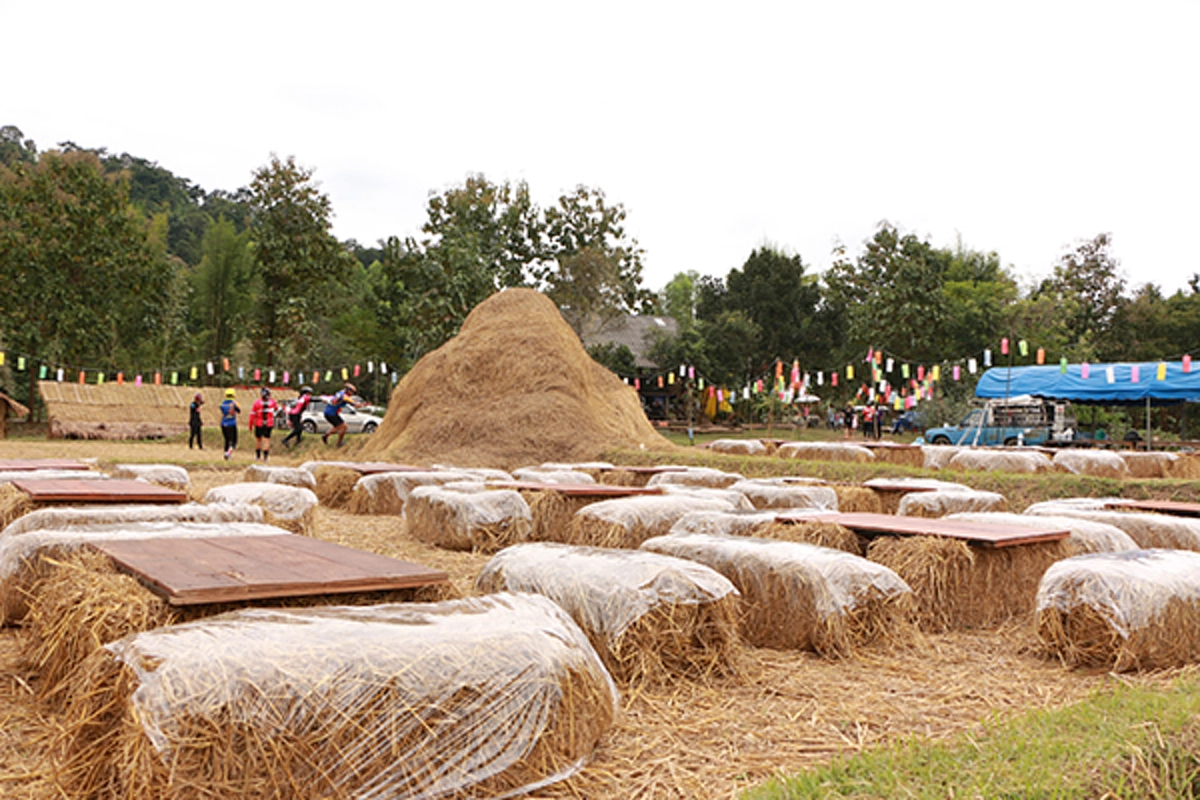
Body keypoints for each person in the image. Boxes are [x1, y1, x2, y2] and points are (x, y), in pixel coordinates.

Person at [323, 382, 365, 447]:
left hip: (328, 412)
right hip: (332, 413)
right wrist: (363, 405)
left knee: (339, 427)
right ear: (348, 390)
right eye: (352, 392)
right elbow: (355, 405)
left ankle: (326, 435)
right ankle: (338, 442)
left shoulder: (340, 392)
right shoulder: (345, 397)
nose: (352, 394)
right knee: (343, 427)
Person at [249, 387, 280, 461]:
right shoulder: (272, 402)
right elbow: (277, 409)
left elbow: (252, 414)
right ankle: (265, 458)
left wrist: (250, 425)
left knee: (258, 440)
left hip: (259, 423)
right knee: (266, 440)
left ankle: (258, 457)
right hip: (269, 423)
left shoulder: (256, 402)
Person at [219, 388, 241, 460]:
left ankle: (226, 453)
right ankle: (228, 453)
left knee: (227, 440)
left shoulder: (222, 403)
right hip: (232, 424)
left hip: (223, 423)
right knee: (234, 441)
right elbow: (239, 410)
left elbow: (221, 409)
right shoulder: (234, 403)